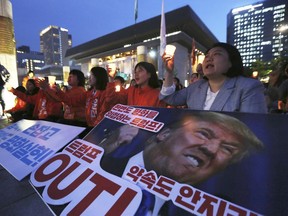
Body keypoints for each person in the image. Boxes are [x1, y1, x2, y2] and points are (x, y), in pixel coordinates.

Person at [100, 112, 263, 215]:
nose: (212, 149)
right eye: (203, 133)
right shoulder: (97, 164)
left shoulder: (214, 210)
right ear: (164, 134)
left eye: (227, 149)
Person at [160, 42, 267, 113]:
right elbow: (170, 98)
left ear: (231, 62)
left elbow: (253, 128)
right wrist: (169, 72)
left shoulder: (248, 87)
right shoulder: (196, 87)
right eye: (207, 56)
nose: (208, 58)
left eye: (217, 54)